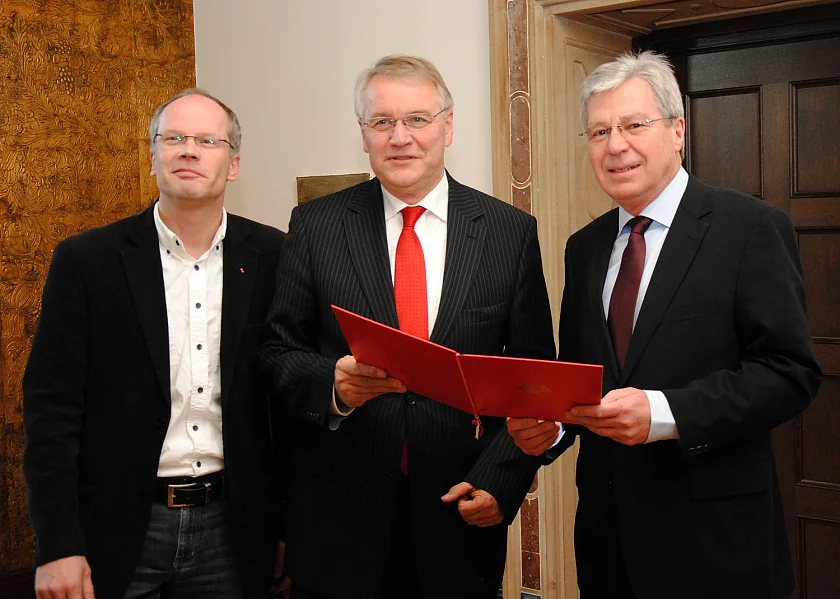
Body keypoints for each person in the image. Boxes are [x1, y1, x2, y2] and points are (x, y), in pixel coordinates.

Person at [507, 51, 822, 599]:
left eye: (634, 125)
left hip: (716, 546)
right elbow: (581, 375)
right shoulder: (583, 249)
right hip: (609, 545)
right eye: (599, 131)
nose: (615, 145)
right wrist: (551, 428)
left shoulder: (749, 228)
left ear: (678, 131)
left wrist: (664, 412)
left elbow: (790, 373)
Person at [258, 54, 555, 599]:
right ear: (363, 134)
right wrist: (334, 386)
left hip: (460, 511)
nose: (400, 137)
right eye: (382, 122)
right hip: (338, 520)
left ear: (448, 126)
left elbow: (533, 377)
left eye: (417, 119)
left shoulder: (509, 233)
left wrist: (501, 480)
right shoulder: (315, 225)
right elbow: (278, 352)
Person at [23, 88, 286, 599]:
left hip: (233, 532)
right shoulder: (86, 261)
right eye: (175, 138)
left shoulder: (275, 255)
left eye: (207, 140)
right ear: (152, 156)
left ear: (233, 164)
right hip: (117, 529)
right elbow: (50, 411)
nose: (189, 150)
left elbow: (283, 410)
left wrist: (286, 529)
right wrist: (57, 544)